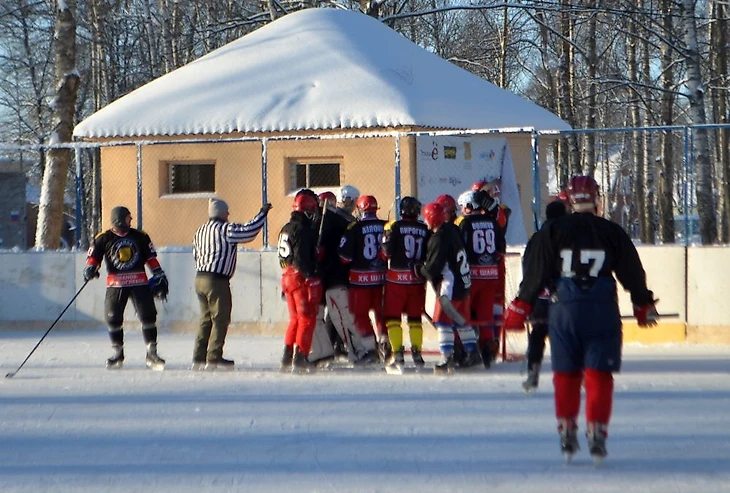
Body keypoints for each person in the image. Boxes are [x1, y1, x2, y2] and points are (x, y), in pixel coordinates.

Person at [503, 175, 658, 465]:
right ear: (597, 199)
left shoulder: (553, 230)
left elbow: (536, 271)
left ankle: (566, 429)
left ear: (569, 199)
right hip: (602, 306)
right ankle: (597, 430)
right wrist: (642, 303)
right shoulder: (612, 231)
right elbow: (632, 272)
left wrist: (522, 304)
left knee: (567, 374)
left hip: (565, 308)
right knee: (599, 374)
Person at [83, 206, 169, 371]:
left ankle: (152, 353)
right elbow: (94, 257)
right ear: (120, 219)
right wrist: (90, 268)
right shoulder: (103, 238)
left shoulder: (140, 236)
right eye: (128, 218)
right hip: (116, 284)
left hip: (139, 282)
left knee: (148, 316)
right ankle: (118, 353)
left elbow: (151, 258)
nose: (131, 220)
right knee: (113, 318)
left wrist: (158, 273)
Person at [192, 198, 271, 370]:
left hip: (200, 278)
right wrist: (262, 214)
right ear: (221, 212)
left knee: (206, 319)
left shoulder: (200, 231)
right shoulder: (226, 229)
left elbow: (195, 254)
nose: (228, 214)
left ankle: (198, 357)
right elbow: (248, 232)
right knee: (220, 318)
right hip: (216, 280)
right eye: (227, 211)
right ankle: (214, 356)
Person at [417, 201, 480, 373]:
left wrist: (419, 269)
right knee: (462, 320)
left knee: (443, 322)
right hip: (464, 282)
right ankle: (472, 352)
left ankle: (447, 357)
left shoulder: (439, 238)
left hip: (450, 285)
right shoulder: (452, 229)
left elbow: (433, 269)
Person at [310, 188, 370, 365]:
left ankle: (346, 349)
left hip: (328, 276)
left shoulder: (334, 222)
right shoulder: (334, 222)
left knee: (335, 316)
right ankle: (335, 350)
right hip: (330, 277)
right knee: (333, 316)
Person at [455, 189, 507, 368]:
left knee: (463, 313)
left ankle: (464, 350)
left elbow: (460, 248)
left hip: (472, 274)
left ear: (469, 207)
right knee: (485, 315)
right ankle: (488, 350)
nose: (462, 210)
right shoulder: (492, 222)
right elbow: (501, 248)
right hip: (491, 274)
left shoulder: (464, 223)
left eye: (463, 206)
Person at [521, 199, 568, 393]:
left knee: (538, 333)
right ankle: (570, 374)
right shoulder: (569, 236)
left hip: (540, 293)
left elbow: (529, 266)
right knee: (566, 335)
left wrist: (526, 293)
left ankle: (533, 371)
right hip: (565, 293)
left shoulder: (537, 238)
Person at [381, 196, 430, 371]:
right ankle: (417, 352)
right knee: (415, 318)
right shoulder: (425, 228)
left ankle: (398, 354)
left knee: (393, 318)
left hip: (396, 280)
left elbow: (386, 252)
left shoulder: (393, 226)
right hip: (417, 280)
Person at [338, 194, 387, 362]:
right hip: (383, 280)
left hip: (360, 281)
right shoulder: (386, 225)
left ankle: (370, 349)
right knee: (382, 315)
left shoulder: (354, 228)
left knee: (359, 315)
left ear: (360, 209)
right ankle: (386, 345)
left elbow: (344, 257)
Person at [278, 193, 323, 373]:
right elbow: (302, 258)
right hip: (299, 277)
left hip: (286, 276)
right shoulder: (302, 231)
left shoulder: (286, 228)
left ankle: (287, 355)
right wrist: (311, 276)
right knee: (307, 318)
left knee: (295, 319)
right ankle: (301, 356)